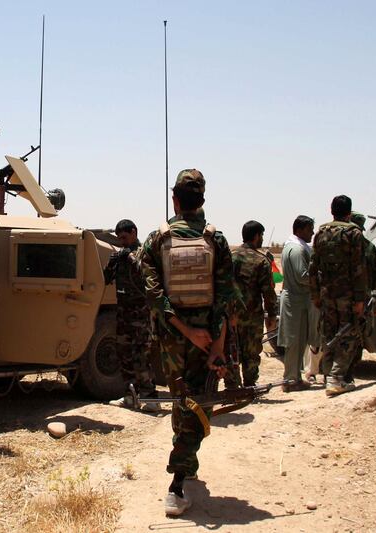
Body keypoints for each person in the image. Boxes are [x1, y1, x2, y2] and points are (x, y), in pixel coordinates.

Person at [136, 169, 236, 516]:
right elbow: (224, 300)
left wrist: (183, 328)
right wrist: (217, 345)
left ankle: (187, 463)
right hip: (207, 337)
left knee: (183, 400)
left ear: (175, 200)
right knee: (199, 400)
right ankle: (177, 483)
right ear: (202, 201)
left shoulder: (156, 240)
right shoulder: (216, 240)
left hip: (172, 338)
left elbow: (154, 296)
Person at [309, 195, 367, 397]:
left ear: (331, 210)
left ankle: (328, 375)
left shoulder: (321, 233)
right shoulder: (354, 233)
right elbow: (358, 268)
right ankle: (336, 378)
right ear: (349, 212)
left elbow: (313, 266)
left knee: (329, 332)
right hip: (347, 295)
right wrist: (360, 299)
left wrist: (315, 293)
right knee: (349, 333)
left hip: (326, 294)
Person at [103, 219, 157, 409]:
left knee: (141, 356)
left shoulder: (143, 253)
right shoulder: (120, 255)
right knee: (123, 354)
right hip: (123, 312)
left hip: (140, 314)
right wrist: (111, 265)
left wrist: (129, 258)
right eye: (119, 239)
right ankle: (129, 395)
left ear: (134, 232)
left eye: (124, 237)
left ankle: (150, 398)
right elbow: (106, 280)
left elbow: (147, 276)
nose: (123, 242)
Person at [231, 220, 278, 387]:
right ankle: (249, 385)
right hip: (252, 316)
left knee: (232, 349)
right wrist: (271, 315)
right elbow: (268, 292)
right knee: (251, 352)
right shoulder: (261, 260)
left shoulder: (231, 257)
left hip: (232, 315)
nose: (262, 239)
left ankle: (233, 385)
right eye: (261, 235)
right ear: (256, 236)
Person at [277, 216, 319, 390]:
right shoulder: (297, 249)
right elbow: (302, 276)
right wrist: (320, 278)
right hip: (295, 301)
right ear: (300, 230)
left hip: (298, 301)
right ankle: (291, 380)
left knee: (299, 340)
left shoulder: (295, 246)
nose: (312, 233)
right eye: (310, 229)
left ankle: (295, 377)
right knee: (294, 341)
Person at [344, 212, 376, 385]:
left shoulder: (341, 246)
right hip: (362, 301)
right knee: (357, 337)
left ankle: (335, 374)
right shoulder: (369, 248)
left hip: (339, 299)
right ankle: (347, 374)